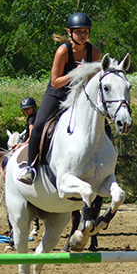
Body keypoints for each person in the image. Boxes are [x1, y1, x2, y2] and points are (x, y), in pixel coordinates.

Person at [18, 12, 102, 185]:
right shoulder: (63, 51)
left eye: (86, 31)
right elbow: (56, 82)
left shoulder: (94, 52)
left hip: (80, 96)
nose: (83, 35)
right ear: (70, 33)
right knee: (39, 125)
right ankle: (30, 167)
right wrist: (77, 73)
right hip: (57, 95)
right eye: (79, 32)